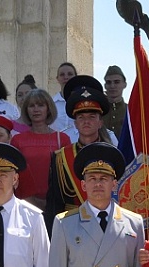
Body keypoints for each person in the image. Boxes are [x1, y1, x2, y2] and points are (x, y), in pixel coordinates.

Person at [45, 76, 113, 229]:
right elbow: (54, 203)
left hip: (107, 225)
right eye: (81, 117)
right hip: (72, 226)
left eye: (92, 117)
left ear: (100, 122)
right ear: (75, 123)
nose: (86, 121)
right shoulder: (60, 158)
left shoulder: (113, 156)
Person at [11, 88, 72, 210]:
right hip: (24, 203)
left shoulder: (62, 139)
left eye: (40, 105)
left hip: (55, 203)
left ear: (48, 108)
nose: (36, 109)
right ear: (26, 110)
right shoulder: (17, 140)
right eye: (31, 106)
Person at [50, 62, 78, 133]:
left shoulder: (82, 101)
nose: (66, 77)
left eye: (70, 74)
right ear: (57, 79)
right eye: (62, 75)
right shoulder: (50, 104)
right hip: (56, 142)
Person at [102, 65, 128, 137]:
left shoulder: (131, 112)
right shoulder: (99, 112)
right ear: (105, 86)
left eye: (117, 82)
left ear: (124, 84)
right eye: (109, 82)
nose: (112, 86)